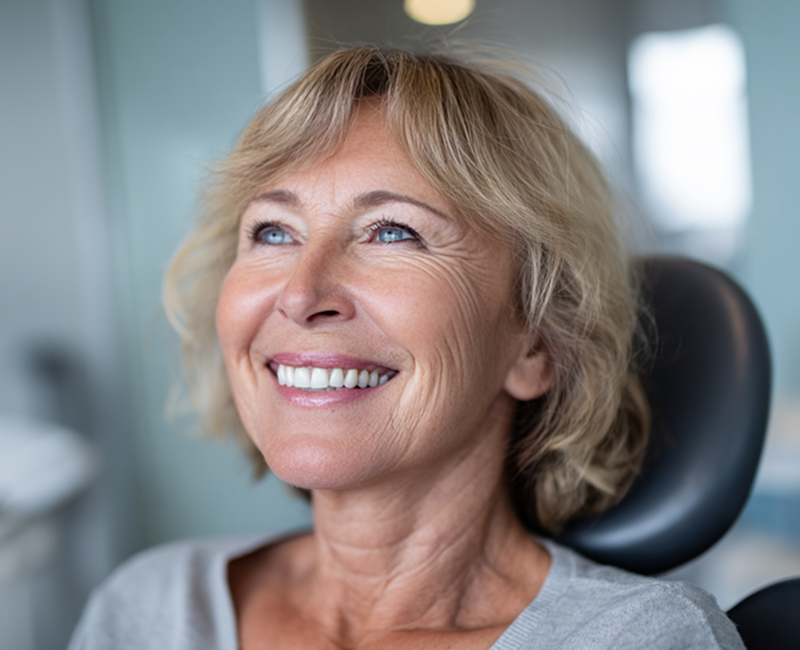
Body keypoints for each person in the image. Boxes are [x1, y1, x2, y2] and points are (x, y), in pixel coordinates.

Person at [68, 46, 744, 649]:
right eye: (273, 232)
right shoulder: (147, 610)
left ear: (536, 342)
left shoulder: (639, 639)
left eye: (393, 232)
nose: (301, 294)